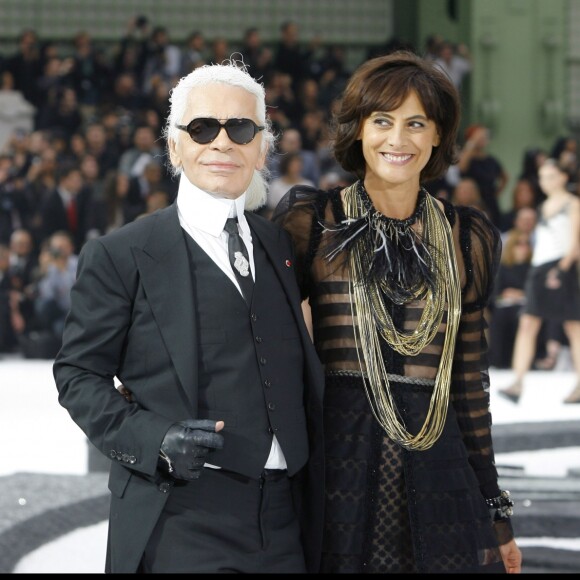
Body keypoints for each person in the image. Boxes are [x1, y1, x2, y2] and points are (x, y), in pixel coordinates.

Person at [53, 60, 325, 574]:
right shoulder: (122, 253)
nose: (222, 142)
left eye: (240, 128)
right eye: (202, 128)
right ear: (174, 146)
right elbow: (78, 375)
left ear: (262, 146)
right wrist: (154, 439)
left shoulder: (279, 246)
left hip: (289, 522)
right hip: (181, 518)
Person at [273, 50, 522, 574]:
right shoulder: (310, 221)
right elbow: (266, 348)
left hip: (440, 471)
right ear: (359, 130)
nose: (398, 139)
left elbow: (468, 384)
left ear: (437, 136)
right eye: (382, 121)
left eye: (416, 124)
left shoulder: (467, 237)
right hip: (337, 466)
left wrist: (496, 511)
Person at [499, 158, 580, 405]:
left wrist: (562, 269)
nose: (546, 181)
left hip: (561, 267)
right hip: (539, 269)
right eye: (543, 177)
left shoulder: (572, 203)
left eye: (551, 176)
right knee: (527, 324)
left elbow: (575, 243)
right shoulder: (544, 206)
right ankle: (517, 383)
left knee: (574, 328)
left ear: (563, 177)